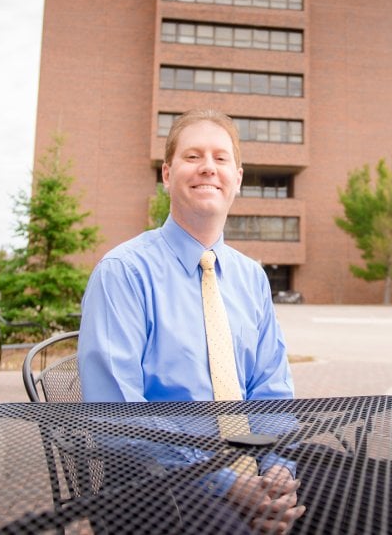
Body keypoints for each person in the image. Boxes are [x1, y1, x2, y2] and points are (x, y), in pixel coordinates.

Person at [78, 108, 304, 533]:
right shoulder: (123, 272)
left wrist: (277, 472)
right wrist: (227, 483)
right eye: (192, 156)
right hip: (154, 481)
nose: (208, 168)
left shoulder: (252, 278)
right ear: (167, 174)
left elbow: (272, 389)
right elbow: (117, 416)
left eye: (221, 159)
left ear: (237, 178)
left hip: (253, 465)